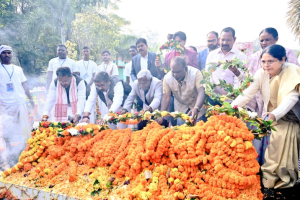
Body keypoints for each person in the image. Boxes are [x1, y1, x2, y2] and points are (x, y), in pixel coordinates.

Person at [231, 44, 300, 190]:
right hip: (273, 118)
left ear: (282, 59)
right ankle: (270, 181)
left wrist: (275, 115)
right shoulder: (261, 73)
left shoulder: (292, 71)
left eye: (270, 61)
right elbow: (248, 93)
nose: (266, 65)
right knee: (273, 150)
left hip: (291, 118)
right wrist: (232, 108)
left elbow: (291, 98)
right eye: (263, 61)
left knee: (283, 147)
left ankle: (284, 181)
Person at [0, 45, 34, 168]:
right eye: (4, 53)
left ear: (12, 54)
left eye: (9, 52)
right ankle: (9, 156)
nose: (7, 55)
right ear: (0, 54)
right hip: (5, 105)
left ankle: (25, 152)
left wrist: (30, 99)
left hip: (20, 103)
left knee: (24, 130)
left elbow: (24, 84)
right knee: (8, 131)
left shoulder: (18, 69)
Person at [157, 57, 206, 126]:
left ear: (185, 69)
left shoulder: (196, 73)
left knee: (198, 131)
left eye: (178, 72)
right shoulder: (167, 78)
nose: (175, 75)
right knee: (182, 131)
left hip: (197, 106)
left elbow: (201, 91)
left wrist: (196, 108)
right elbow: (166, 97)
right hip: (181, 108)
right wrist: (161, 114)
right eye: (173, 72)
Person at [205, 27, 247, 103]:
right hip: (214, 98)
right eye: (223, 40)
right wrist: (211, 91)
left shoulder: (240, 56)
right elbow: (208, 75)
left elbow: (241, 79)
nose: (224, 43)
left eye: (228, 40)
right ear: (219, 39)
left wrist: (233, 95)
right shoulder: (212, 55)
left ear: (234, 39)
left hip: (233, 99)